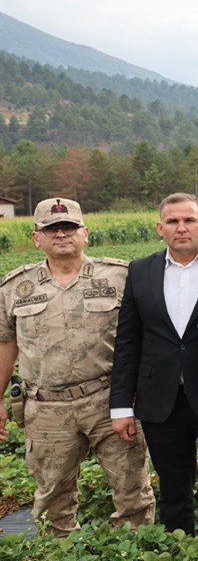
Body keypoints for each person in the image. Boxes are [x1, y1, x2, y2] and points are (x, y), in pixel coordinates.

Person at [0, 197, 155, 536]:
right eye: (51, 229)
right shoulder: (15, 288)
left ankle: (135, 560)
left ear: (85, 233)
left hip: (109, 401)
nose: (61, 234)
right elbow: (7, 344)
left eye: (69, 227)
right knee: (52, 497)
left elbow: (147, 333)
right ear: (36, 237)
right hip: (45, 408)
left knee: (132, 491)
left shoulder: (120, 276)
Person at [110, 193, 198, 538]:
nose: (181, 228)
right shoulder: (140, 271)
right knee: (173, 491)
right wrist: (120, 406)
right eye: (172, 221)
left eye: (189, 220)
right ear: (160, 228)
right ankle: (179, 555)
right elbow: (128, 342)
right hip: (161, 399)